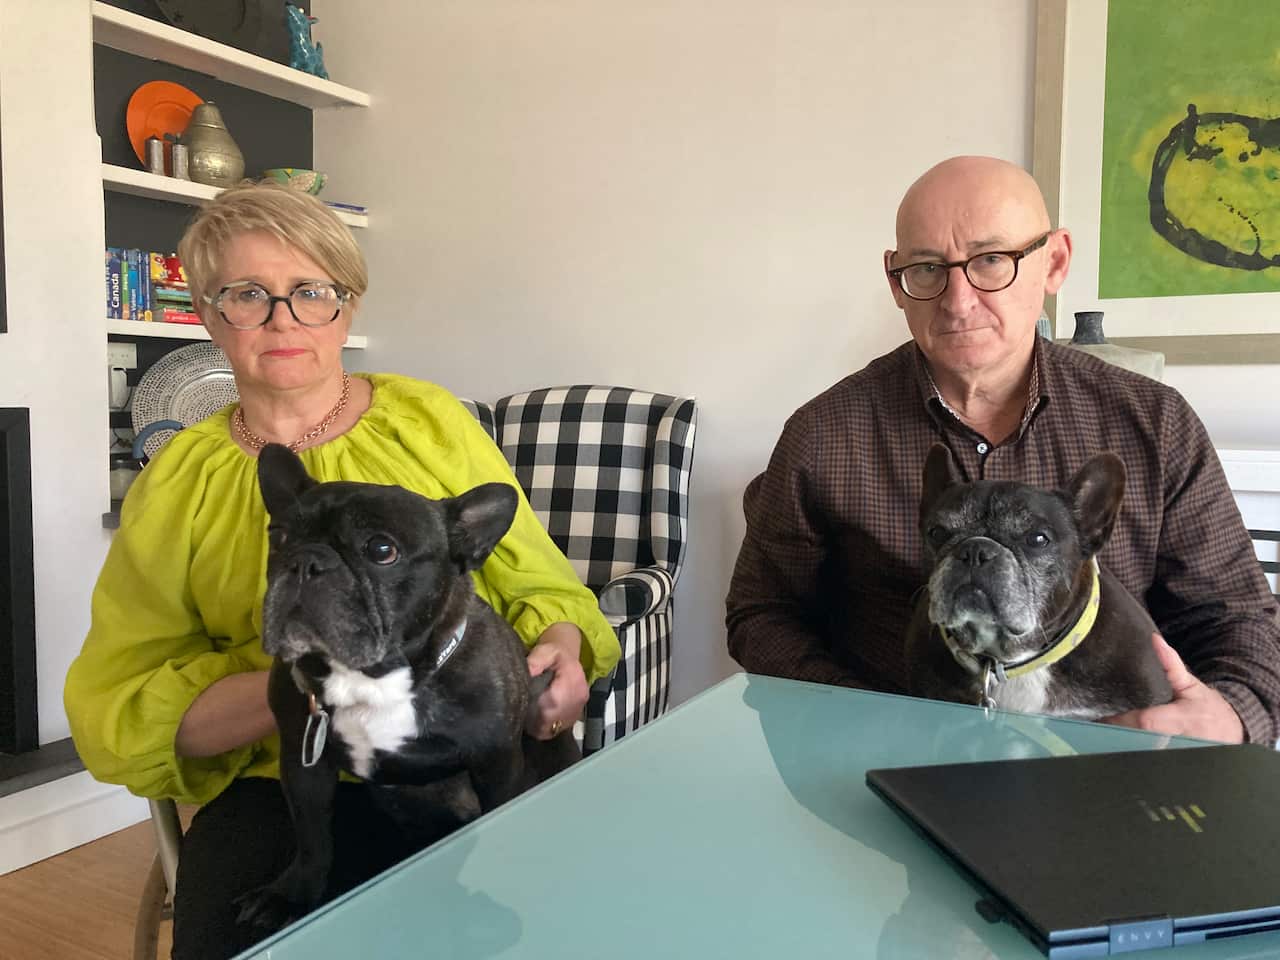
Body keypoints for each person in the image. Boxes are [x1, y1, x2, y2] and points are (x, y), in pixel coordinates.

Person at [64, 181, 620, 959]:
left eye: (310, 292)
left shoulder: (429, 421)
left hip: (473, 757)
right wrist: (315, 688)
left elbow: (542, 589)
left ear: (347, 306)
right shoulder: (177, 479)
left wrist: (556, 658)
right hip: (290, 784)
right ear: (207, 315)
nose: (283, 318)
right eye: (247, 295)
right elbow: (119, 697)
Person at [725, 155, 1280, 746]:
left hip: (1104, 765)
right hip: (891, 758)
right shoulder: (825, 434)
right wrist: (858, 715)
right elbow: (761, 614)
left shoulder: (1154, 423)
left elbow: (1236, 617)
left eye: (992, 260)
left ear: (1054, 261)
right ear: (896, 281)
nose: (958, 300)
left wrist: (1233, 713)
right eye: (927, 267)